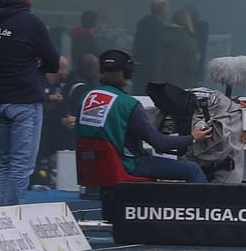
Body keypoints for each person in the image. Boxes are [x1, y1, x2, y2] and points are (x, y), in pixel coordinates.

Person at [0, 0, 65, 207]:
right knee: (21, 165)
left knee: (6, 162)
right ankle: (14, 218)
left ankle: (2, 213)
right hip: (25, 102)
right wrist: (35, 60)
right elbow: (53, 63)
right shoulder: (30, 22)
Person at [75, 50, 213, 182]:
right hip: (128, 165)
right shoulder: (128, 104)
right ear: (128, 73)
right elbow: (160, 144)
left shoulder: (86, 97)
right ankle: (206, 206)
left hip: (95, 167)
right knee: (192, 169)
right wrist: (193, 138)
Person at [131, 0, 168, 93]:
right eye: (165, 8)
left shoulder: (143, 23)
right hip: (151, 66)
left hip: (142, 65)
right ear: (161, 9)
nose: (167, 11)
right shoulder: (157, 27)